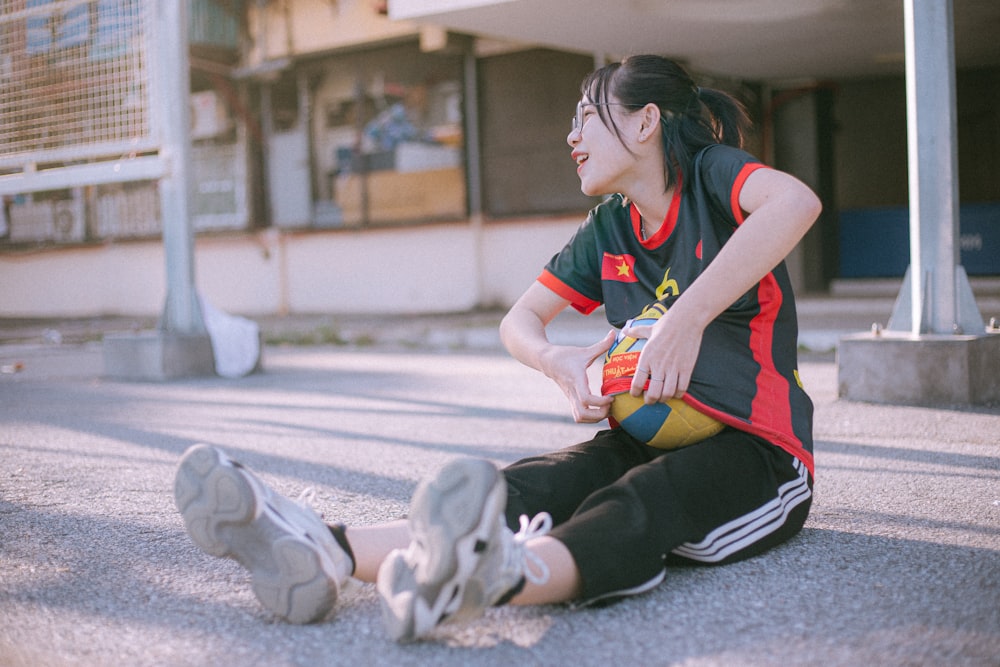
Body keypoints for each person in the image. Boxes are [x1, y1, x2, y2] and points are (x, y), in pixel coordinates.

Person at [174, 54, 821, 642]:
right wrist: (554, 359)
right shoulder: (610, 224)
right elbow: (520, 320)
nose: (571, 137)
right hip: (644, 431)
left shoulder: (712, 177)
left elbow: (794, 202)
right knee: (537, 483)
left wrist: (686, 318)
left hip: (756, 450)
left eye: (587, 118)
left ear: (647, 121)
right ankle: (329, 548)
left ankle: (494, 576)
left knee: (643, 503)